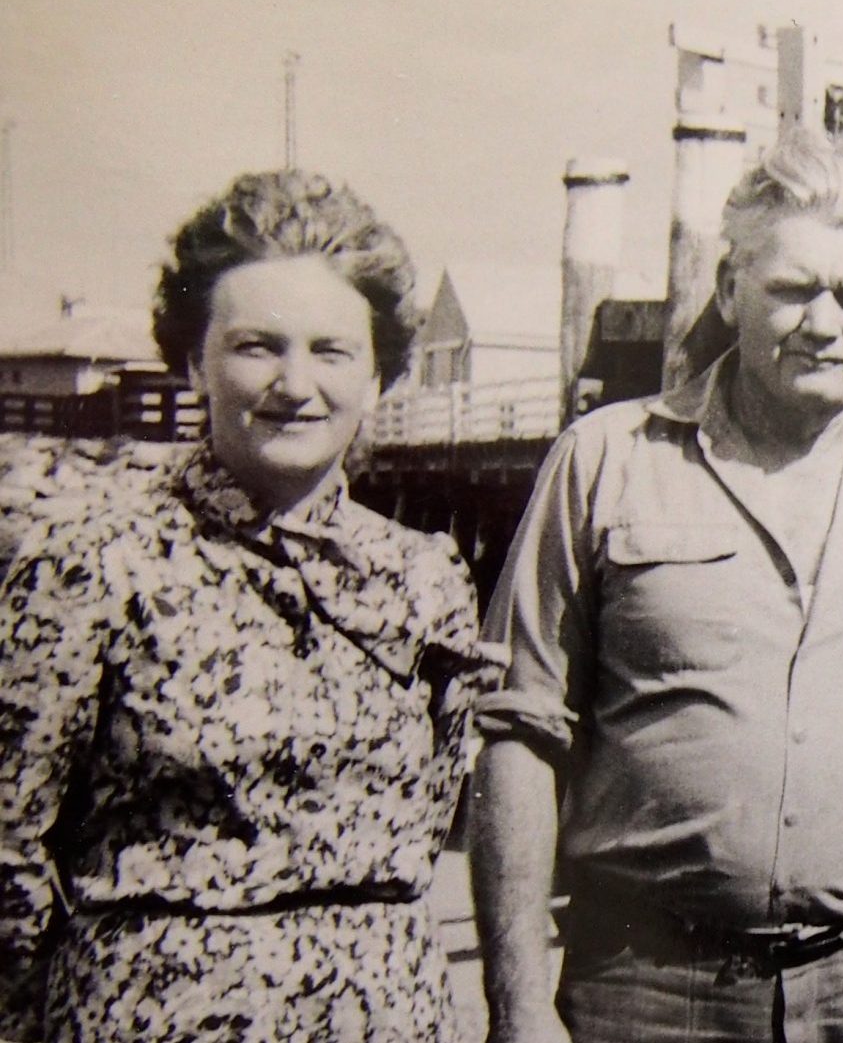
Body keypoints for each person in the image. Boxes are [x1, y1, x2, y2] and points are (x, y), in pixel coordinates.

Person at [470, 127, 843, 1043]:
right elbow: (520, 737)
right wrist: (519, 1004)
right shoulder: (603, 462)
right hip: (644, 990)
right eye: (792, 288)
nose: (823, 323)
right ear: (732, 288)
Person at [0, 170, 499, 1041]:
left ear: (379, 375)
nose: (294, 384)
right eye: (256, 346)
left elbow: (429, 821)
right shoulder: (90, 564)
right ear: (194, 361)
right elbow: (9, 850)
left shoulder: (425, 576)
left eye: (331, 350)